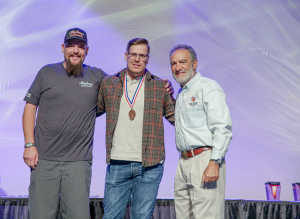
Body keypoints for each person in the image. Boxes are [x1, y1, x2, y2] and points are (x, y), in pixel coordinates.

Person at [22, 28, 108, 219]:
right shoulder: (47, 72)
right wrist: (29, 145)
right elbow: (30, 106)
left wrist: (160, 82)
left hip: (78, 162)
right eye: (71, 46)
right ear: (63, 48)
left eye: (81, 47)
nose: (76, 51)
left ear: (87, 50)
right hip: (43, 160)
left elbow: (124, 83)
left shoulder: (97, 76)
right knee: (41, 215)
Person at [97, 38, 176, 219]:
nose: (137, 59)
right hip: (118, 162)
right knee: (111, 217)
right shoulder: (109, 83)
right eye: (133, 54)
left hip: (150, 166)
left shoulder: (159, 86)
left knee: (142, 216)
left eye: (142, 56)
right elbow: (94, 110)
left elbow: (176, 118)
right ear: (126, 56)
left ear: (148, 59)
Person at [169, 44, 233, 219]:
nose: (177, 67)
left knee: (207, 215)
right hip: (183, 161)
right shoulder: (181, 93)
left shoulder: (208, 87)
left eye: (183, 62)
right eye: (173, 63)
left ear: (194, 63)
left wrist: (214, 162)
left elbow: (222, 128)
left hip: (205, 159)